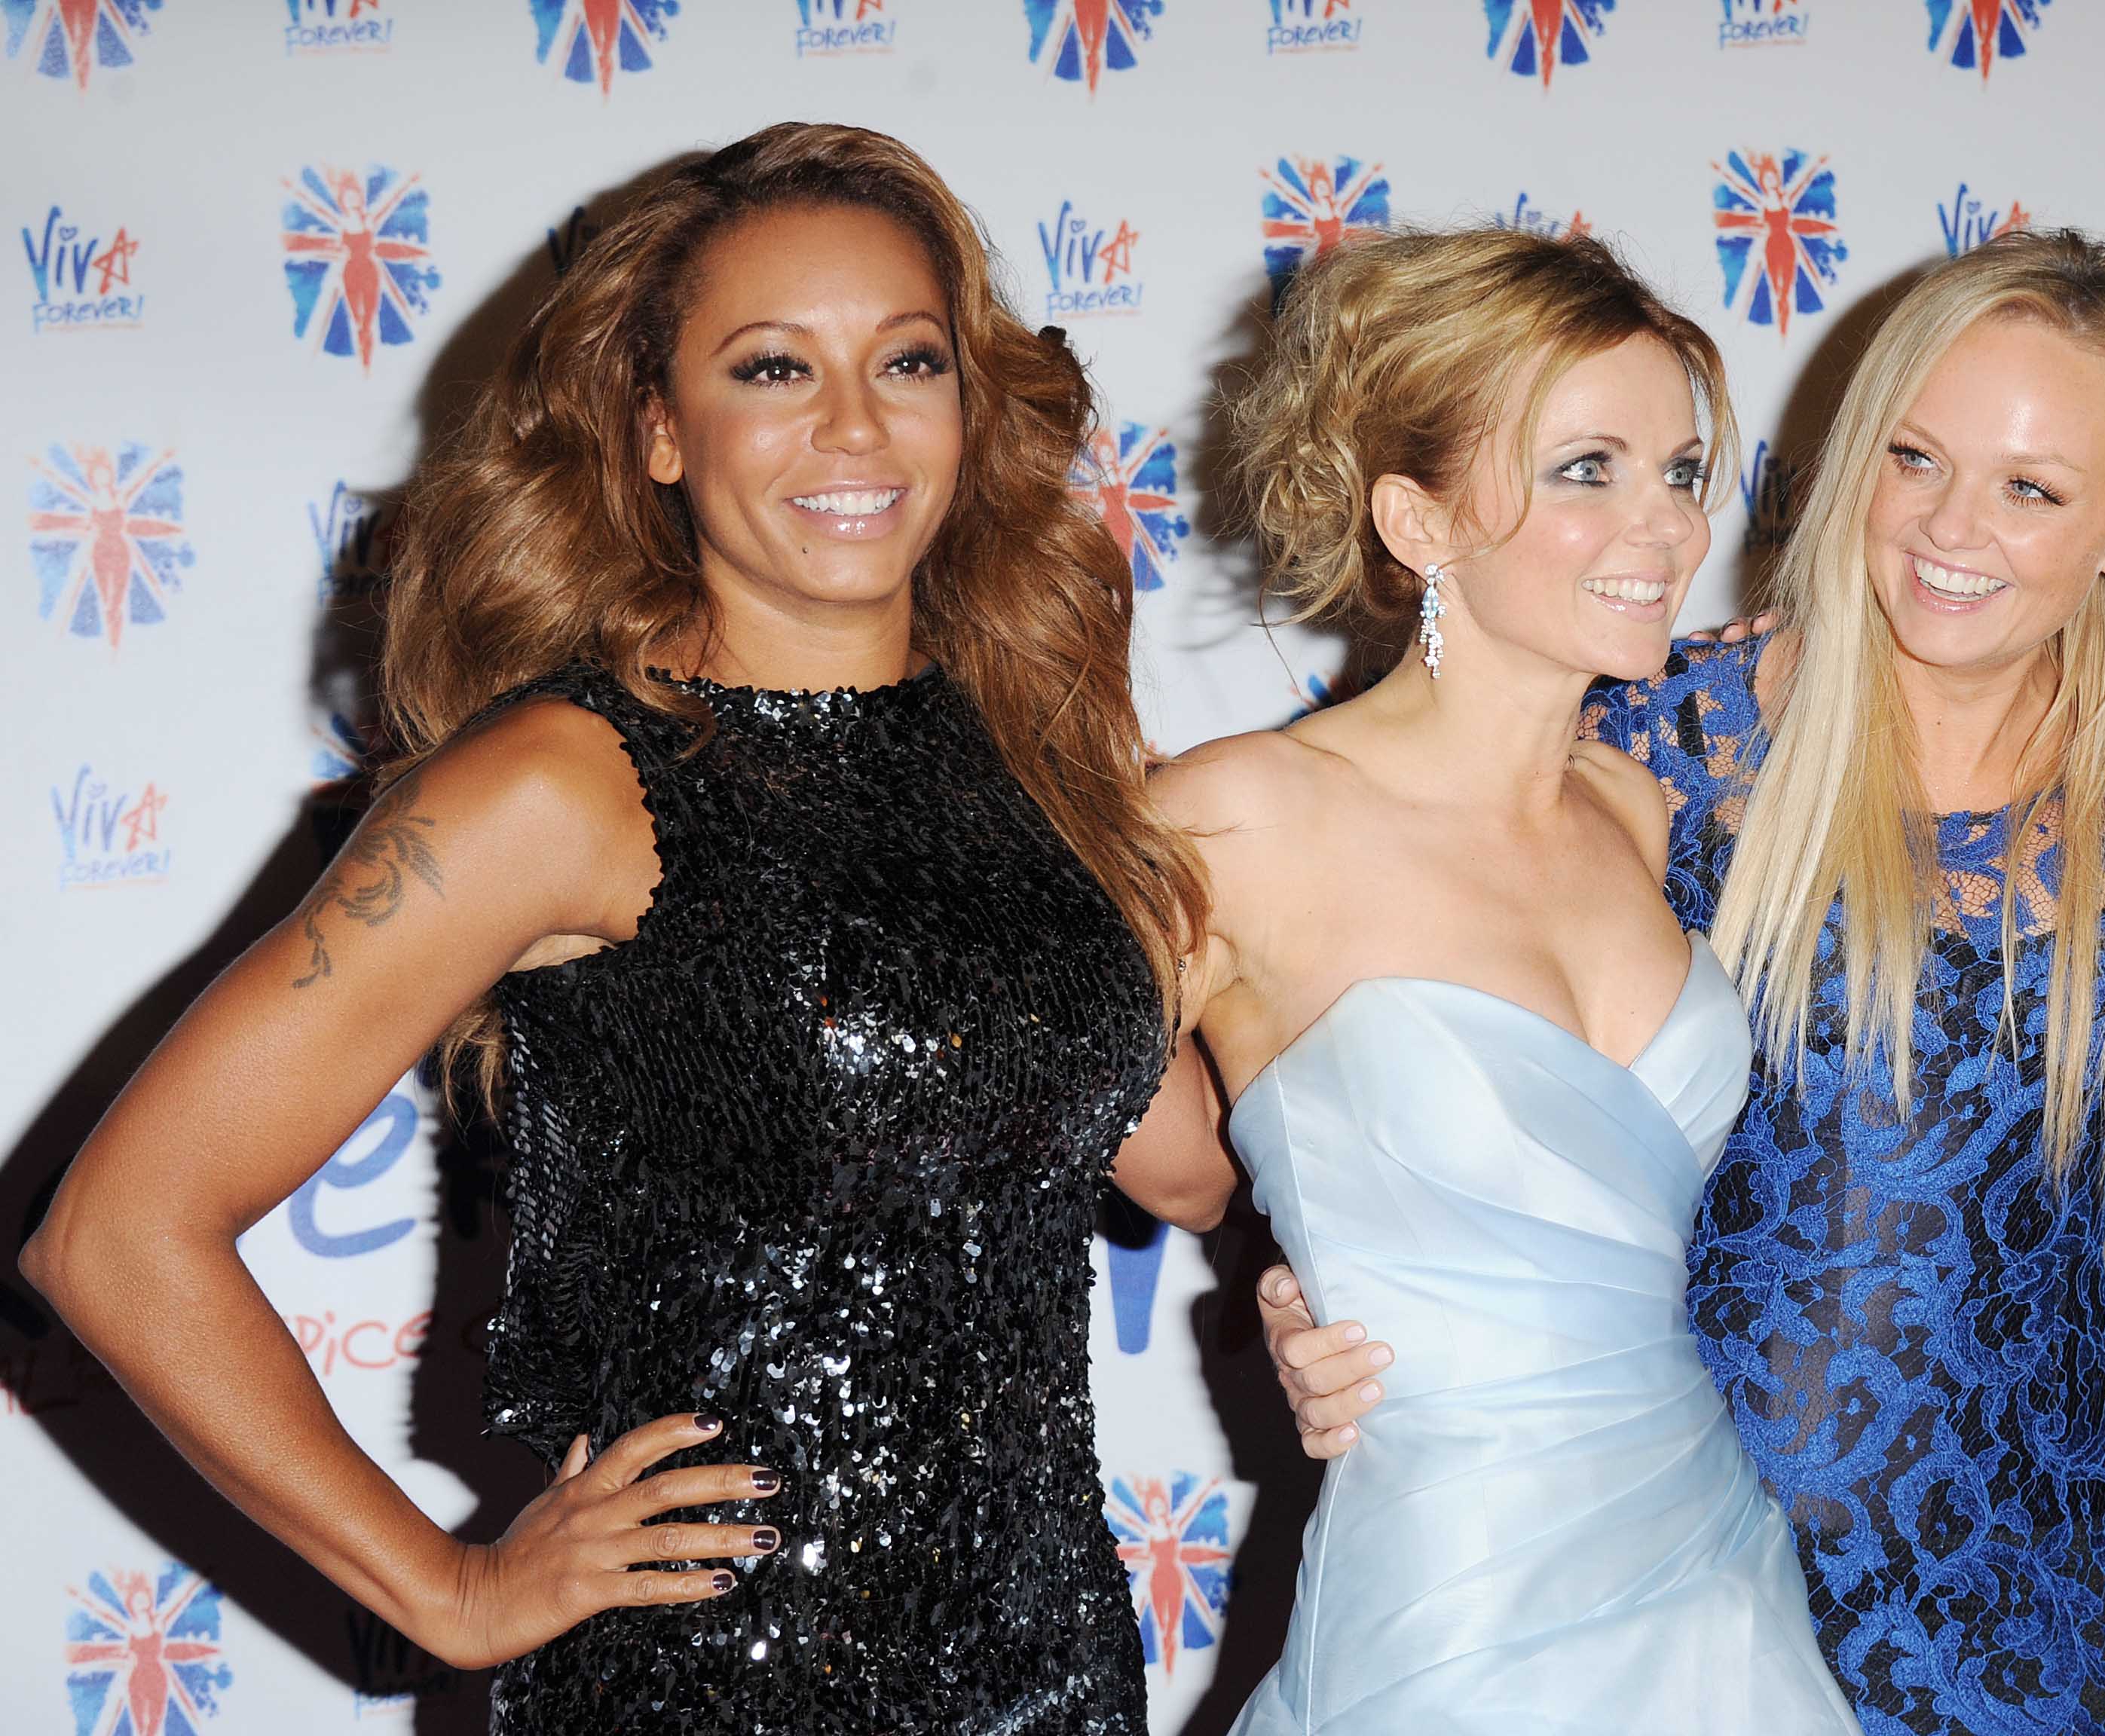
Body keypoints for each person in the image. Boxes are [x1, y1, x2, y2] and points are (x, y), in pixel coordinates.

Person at [20, 122, 1226, 1734]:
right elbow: (115, 1237)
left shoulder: (1026, 754)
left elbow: (1186, 1166)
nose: (856, 424)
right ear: (659, 429)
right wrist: (451, 1592)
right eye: (774, 369)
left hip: (1051, 1669)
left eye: (909, 361)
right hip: (707, 1683)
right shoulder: (560, 784)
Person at [1253, 228, 2105, 1734]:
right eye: (1913, 458)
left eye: (2031, 490)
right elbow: (1357, 1017)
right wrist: (1328, 1283)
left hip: (2019, 1603)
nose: (1948, 529)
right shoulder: (1660, 736)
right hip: (1669, 1581)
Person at [1161, 226, 1859, 1734]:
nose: (1663, 527)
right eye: (1585, 469)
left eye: (1680, 471)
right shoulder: (1239, 817)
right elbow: (1039, 1138)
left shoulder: (1634, 808)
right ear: (1416, 520)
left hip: (1709, 1577)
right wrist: (1292, 1278)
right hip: (1452, 1607)